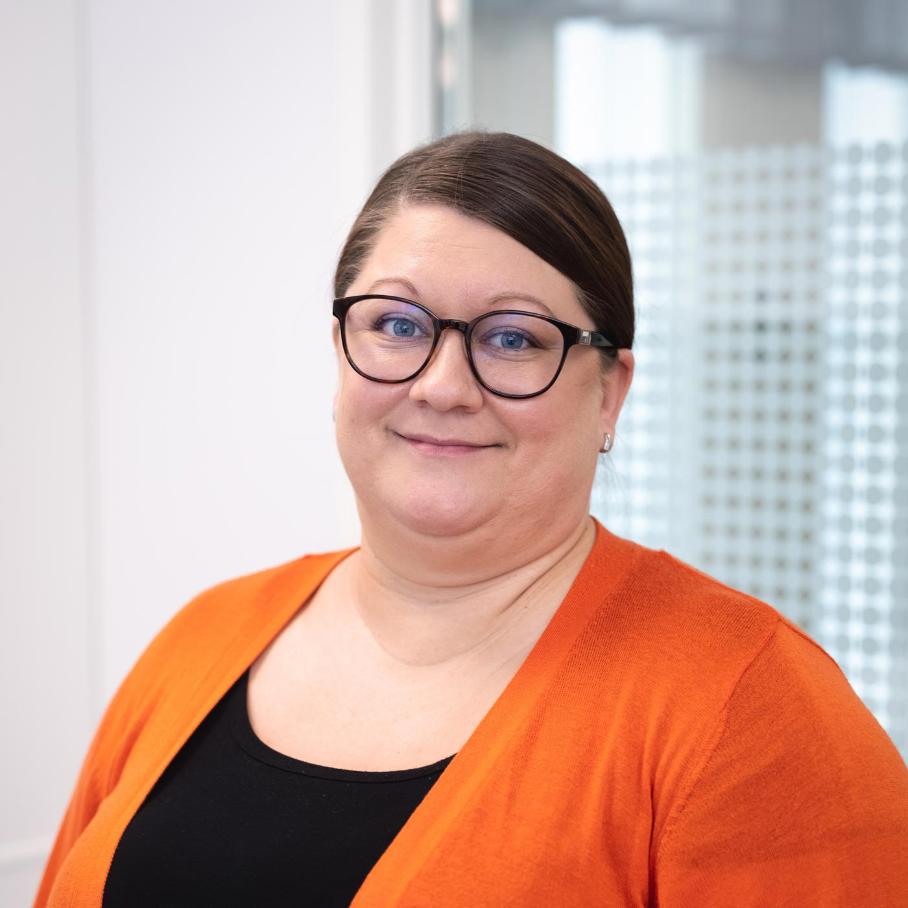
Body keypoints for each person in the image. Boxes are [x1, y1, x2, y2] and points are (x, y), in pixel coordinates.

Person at [36, 131, 907, 908]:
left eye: (513, 338)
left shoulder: (749, 708)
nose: (442, 385)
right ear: (340, 354)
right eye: (397, 324)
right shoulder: (200, 639)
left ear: (609, 392)